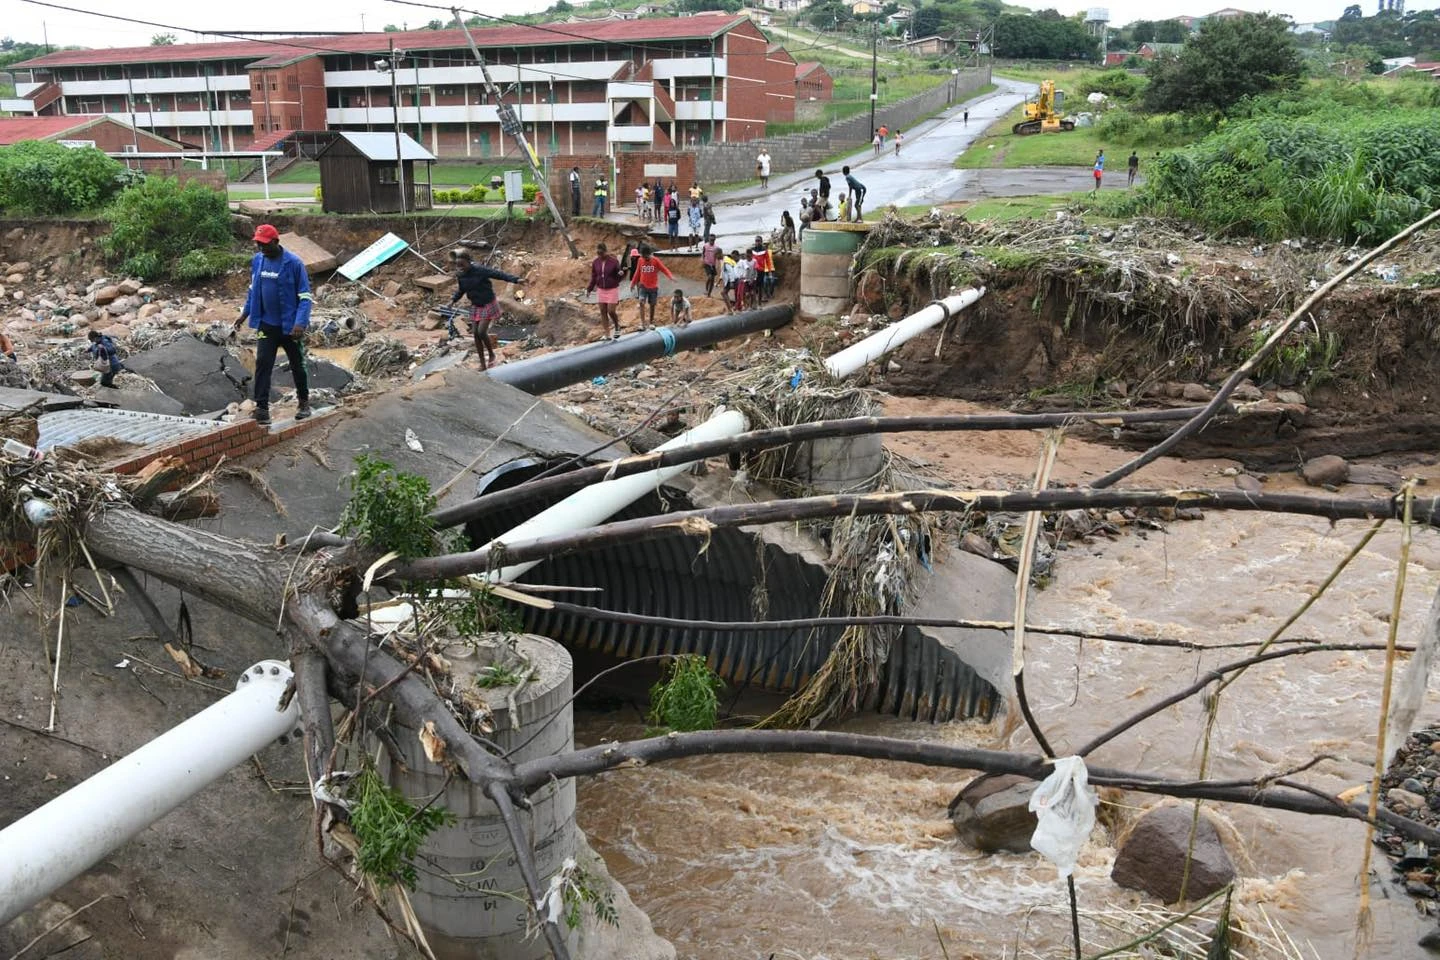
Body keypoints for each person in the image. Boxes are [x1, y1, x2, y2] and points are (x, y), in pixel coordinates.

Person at [233, 224, 312, 424]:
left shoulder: (294, 264)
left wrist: (300, 323)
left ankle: (303, 403)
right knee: (263, 365)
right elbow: (253, 291)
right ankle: (262, 409)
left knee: (297, 365)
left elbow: (304, 297)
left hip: (290, 328)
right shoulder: (258, 261)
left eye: (265, 244)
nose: (261, 248)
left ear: (276, 242)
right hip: (267, 325)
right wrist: (244, 314)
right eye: (258, 244)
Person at [449, 249, 524, 371]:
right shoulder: (461, 276)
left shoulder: (480, 270)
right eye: (458, 266)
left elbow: (498, 274)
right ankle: (483, 363)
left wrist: (515, 279)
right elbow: (461, 290)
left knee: (481, 331)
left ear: (469, 262)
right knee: (475, 334)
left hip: (488, 303)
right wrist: (453, 300)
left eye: (462, 265)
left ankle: (492, 354)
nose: (460, 268)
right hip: (476, 305)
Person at [629, 243, 674, 330]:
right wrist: (633, 284)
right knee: (641, 302)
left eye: (647, 257)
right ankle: (642, 323)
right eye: (644, 257)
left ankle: (651, 322)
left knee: (652, 305)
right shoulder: (640, 260)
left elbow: (664, 269)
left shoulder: (655, 260)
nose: (645, 259)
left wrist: (670, 276)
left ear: (650, 254)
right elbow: (637, 273)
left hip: (653, 286)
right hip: (643, 286)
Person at [586, 242, 624, 341]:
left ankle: (617, 326)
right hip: (601, 289)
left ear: (606, 252)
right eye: (598, 253)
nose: (600, 255)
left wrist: (620, 275)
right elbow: (594, 277)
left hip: (612, 288)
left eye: (602, 253)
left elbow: (619, 273)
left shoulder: (613, 261)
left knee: (611, 311)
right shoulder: (595, 262)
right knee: (603, 311)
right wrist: (589, 289)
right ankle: (607, 334)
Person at [751, 236, 775, 302]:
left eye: (758, 241)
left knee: (760, 286)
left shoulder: (764, 250)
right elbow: (750, 260)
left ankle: (760, 301)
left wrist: (770, 271)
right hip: (754, 270)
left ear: (761, 242)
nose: (757, 242)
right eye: (756, 241)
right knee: (754, 286)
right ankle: (754, 300)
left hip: (761, 270)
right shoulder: (752, 250)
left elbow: (768, 261)